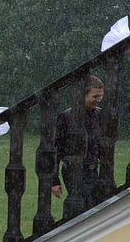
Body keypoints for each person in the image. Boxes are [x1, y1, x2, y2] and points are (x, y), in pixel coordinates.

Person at [52, 75, 104, 214]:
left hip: (92, 169)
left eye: (100, 96)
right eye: (95, 96)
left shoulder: (100, 115)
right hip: (73, 169)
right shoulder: (66, 117)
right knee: (81, 203)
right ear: (83, 95)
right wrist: (54, 180)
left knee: (90, 204)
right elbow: (56, 148)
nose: (98, 100)